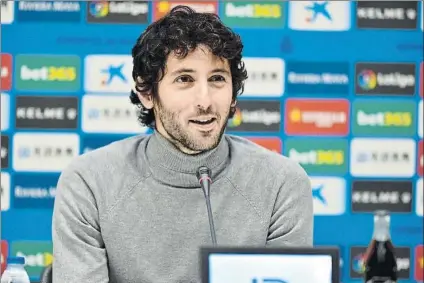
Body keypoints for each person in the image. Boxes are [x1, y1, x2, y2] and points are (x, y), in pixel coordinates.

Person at [52, 5, 313, 283]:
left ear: (233, 93)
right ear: (147, 93)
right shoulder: (89, 182)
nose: (205, 100)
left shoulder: (282, 183)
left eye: (217, 79)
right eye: (184, 79)